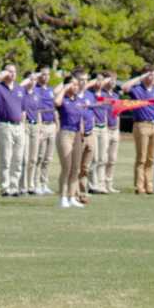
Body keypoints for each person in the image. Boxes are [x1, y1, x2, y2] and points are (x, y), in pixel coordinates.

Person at [0, 66, 27, 197]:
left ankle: (14, 186)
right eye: (9, 71)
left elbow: (23, 109)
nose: (12, 74)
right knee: (6, 158)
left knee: (18, 158)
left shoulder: (20, 89)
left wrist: (23, 125)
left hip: (19, 126)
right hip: (5, 125)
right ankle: (5, 187)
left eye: (14, 71)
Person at [56, 73, 93, 208]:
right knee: (66, 167)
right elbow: (56, 102)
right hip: (65, 133)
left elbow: (82, 117)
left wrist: (83, 133)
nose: (76, 87)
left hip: (77, 134)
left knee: (75, 168)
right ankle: (63, 197)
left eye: (77, 84)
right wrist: (64, 88)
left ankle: (72, 197)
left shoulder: (79, 100)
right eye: (73, 84)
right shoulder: (63, 98)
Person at [125, 70, 154, 195]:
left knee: (151, 158)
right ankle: (139, 186)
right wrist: (140, 77)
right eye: (150, 75)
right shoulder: (137, 90)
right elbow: (125, 87)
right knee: (141, 157)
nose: (152, 77)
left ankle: (149, 185)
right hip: (142, 124)